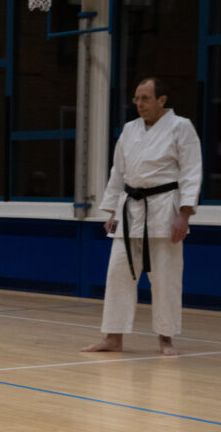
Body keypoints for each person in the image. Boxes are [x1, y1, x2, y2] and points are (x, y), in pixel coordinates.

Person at [83, 77, 203, 356]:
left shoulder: (181, 127)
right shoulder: (129, 129)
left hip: (164, 210)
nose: (139, 104)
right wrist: (112, 210)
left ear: (162, 100)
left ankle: (166, 339)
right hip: (130, 210)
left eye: (145, 98)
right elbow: (118, 172)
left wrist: (184, 214)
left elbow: (191, 172)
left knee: (165, 278)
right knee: (118, 275)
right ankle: (113, 337)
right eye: (136, 98)